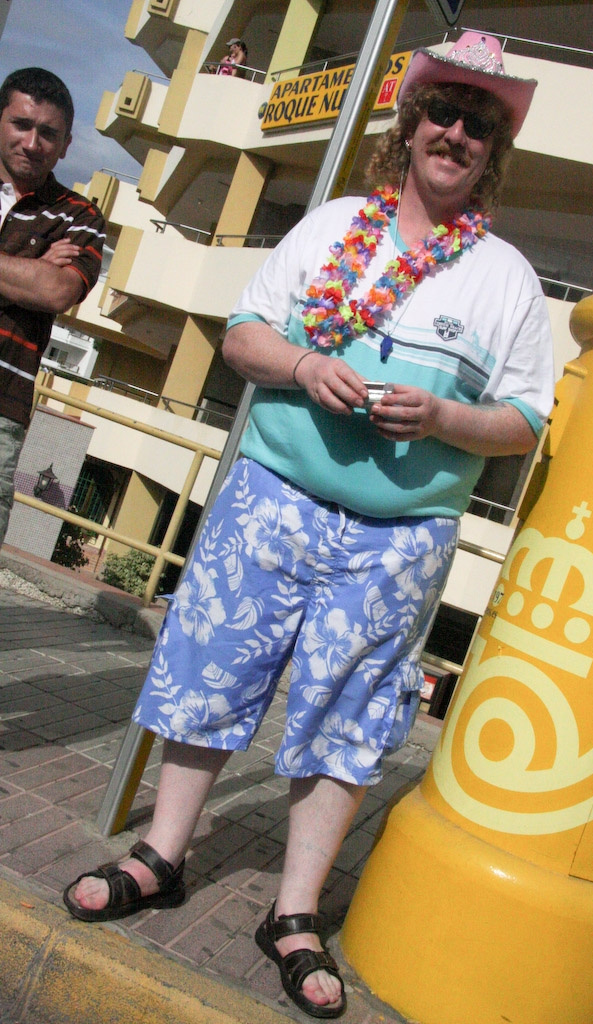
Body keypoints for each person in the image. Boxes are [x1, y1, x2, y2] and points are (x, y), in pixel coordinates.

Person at [63, 31, 554, 1020]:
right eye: (443, 111)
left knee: (350, 712)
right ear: (410, 124)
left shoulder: (507, 278)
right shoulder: (331, 227)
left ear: (490, 150)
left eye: (477, 123)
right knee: (211, 667)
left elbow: (523, 422)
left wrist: (444, 418)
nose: (455, 133)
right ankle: (162, 853)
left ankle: (292, 914)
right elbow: (244, 337)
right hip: (273, 496)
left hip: (398, 536)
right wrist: (302, 366)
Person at [0, 67, 105, 545]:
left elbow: (57, 292)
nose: (32, 143)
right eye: (21, 125)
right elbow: (38, 285)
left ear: (65, 145)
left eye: (48, 133)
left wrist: (44, 277)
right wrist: (31, 267)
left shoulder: (79, 216)